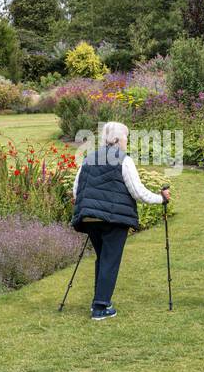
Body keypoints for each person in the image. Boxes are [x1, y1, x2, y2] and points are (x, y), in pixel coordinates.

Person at [70, 121, 169, 320]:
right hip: (114, 219)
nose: (126, 141)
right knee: (110, 261)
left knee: (103, 259)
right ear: (117, 139)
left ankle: (99, 301)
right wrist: (162, 199)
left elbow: (76, 189)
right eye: (126, 137)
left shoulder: (89, 158)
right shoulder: (123, 159)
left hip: (89, 218)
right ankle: (100, 307)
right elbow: (137, 192)